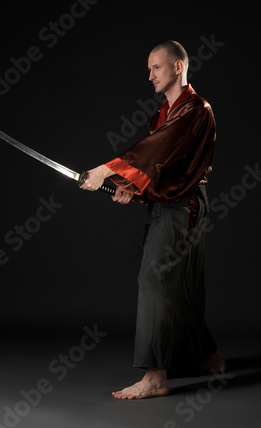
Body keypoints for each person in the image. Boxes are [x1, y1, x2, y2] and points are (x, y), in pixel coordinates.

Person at [80, 40, 226, 400]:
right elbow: (161, 168)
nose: (149, 76)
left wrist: (106, 169)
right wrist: (134, 189)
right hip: (166, 202)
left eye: (155, 68)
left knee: (155, 277)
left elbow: (159, 148)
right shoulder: (164, 112)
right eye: (149, 69)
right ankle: (208, 355)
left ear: (178, 67)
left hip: (185, 205)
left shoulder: (195, 110)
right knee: (178, 281)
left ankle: (156, 377)